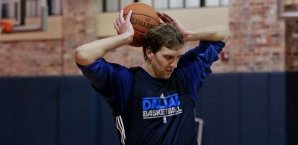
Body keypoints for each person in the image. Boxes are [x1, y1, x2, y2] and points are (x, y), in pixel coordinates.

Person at [74, 9, 230, 145]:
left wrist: (188, 35)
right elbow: (82, 54)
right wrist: (125, 38)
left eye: (177, 57)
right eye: (168, 57)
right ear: (150, 53)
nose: (174, 64)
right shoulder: (125, 81)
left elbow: (223, 34)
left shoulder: (186, 74)